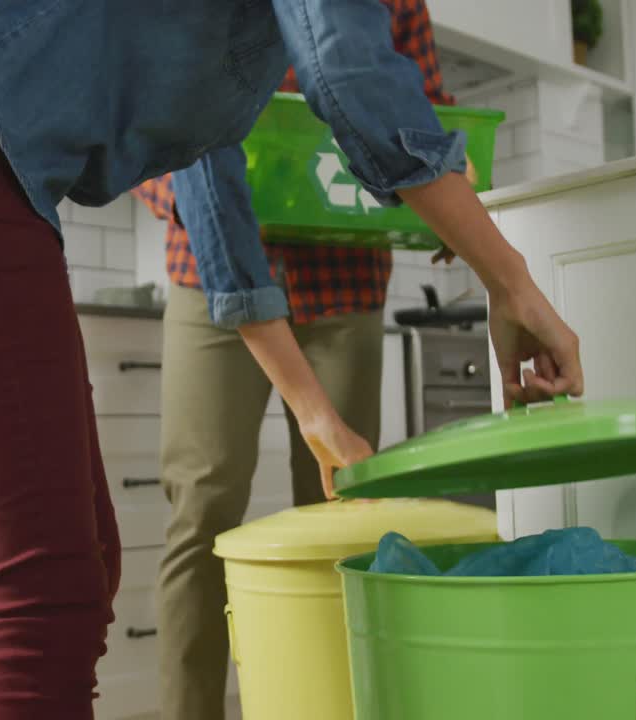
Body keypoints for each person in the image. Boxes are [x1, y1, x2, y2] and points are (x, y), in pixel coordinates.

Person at [0, 1, 585, 718]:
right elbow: (349, 70)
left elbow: (212, 191)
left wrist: (313, 411)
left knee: (82, 569)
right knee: (47, 588)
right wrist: (511, 281)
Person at [131, 2, 456, 716]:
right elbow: (147, 115)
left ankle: (329, 704)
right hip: (209, 279)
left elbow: (421, 106)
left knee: (343, 514)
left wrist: (445, 197)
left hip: (344, 281)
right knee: (202, 510)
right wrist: (197, 199)